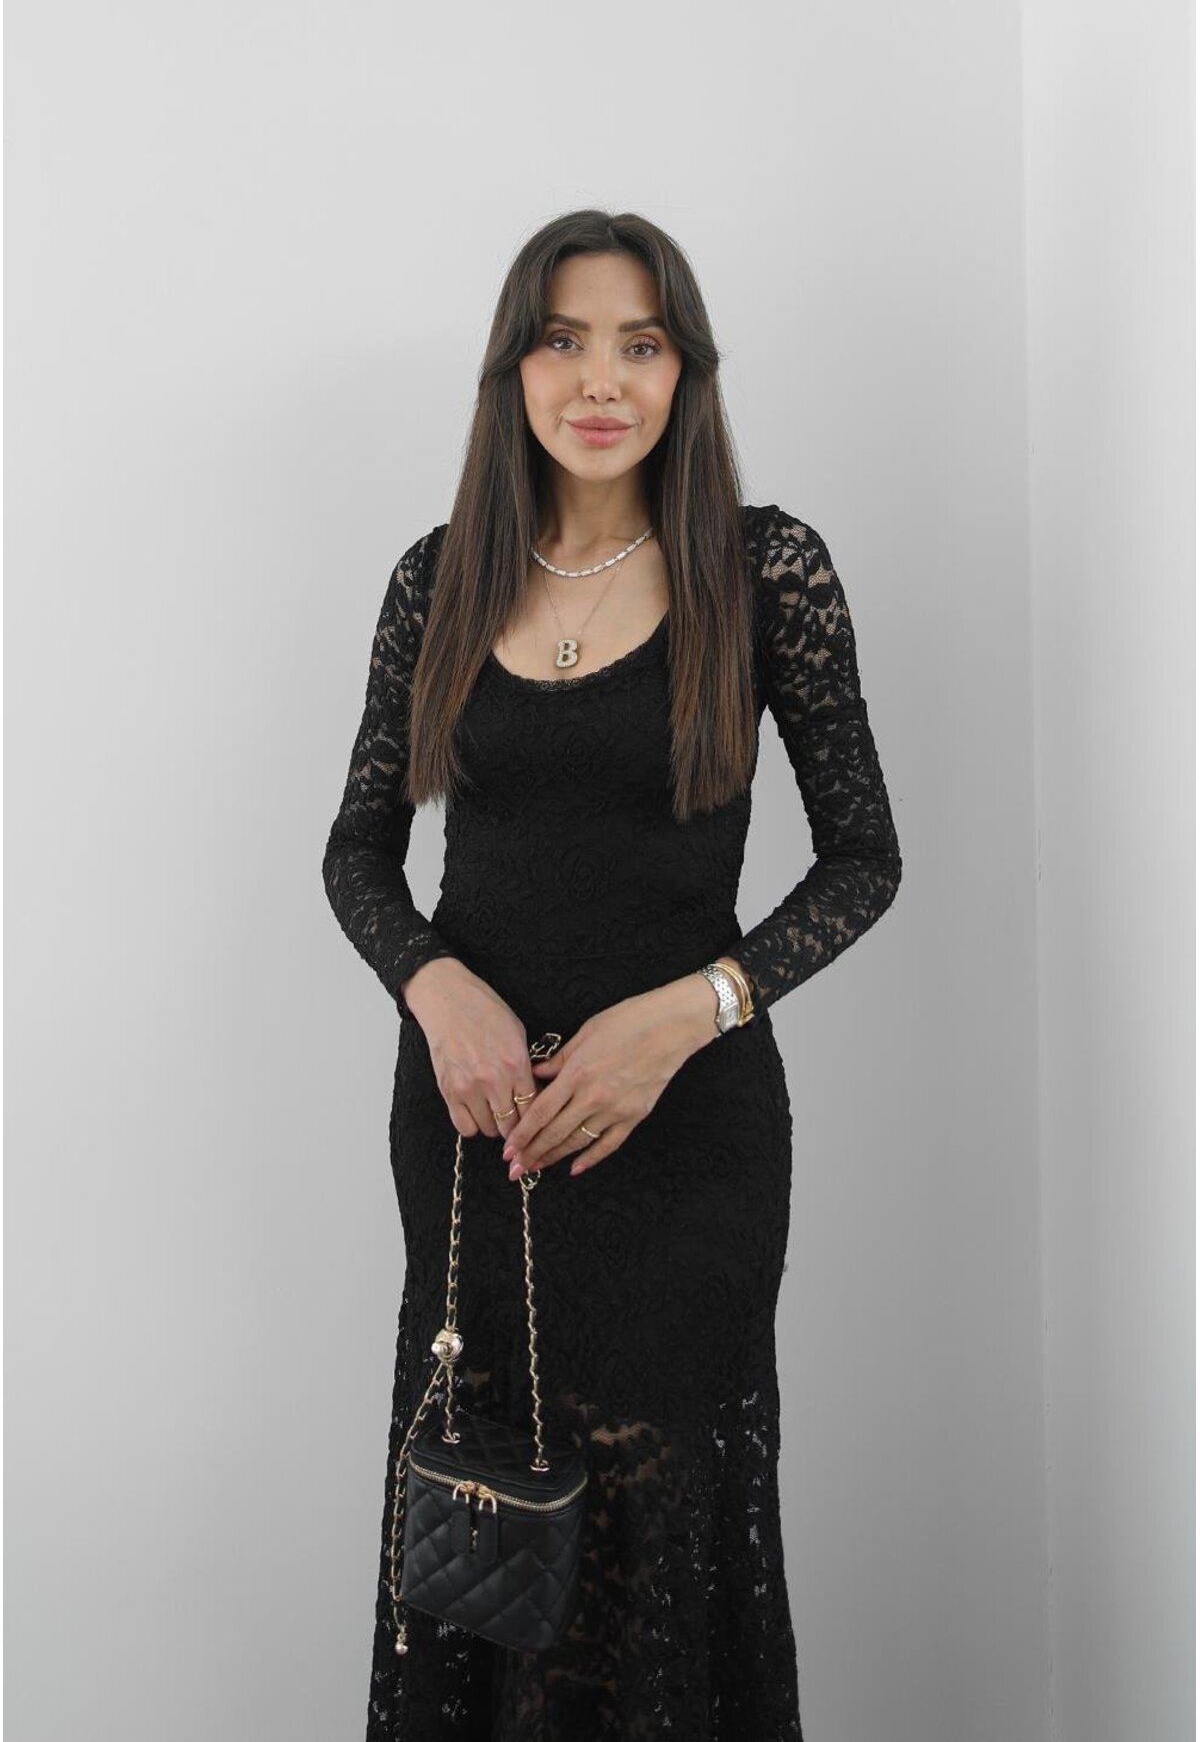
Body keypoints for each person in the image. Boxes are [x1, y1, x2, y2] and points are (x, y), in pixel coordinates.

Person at [321, 209, 902, 1742]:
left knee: (658, 1543)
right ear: (513, 368)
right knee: (482, 1517)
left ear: (684, 372)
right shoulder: (439, 579)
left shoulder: (764, 568)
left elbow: (865, 860)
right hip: (476, 1131)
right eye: (564, 341)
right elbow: (359, 854)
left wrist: (689, 1013)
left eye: (641, 344)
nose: (601, 379)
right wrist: (436, 986)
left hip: (688, 1141)